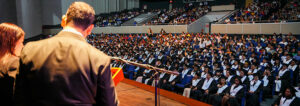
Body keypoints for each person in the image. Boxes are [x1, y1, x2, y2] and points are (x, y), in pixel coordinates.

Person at [15, 2, 118, 106]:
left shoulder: (29, 50)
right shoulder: (99, 59)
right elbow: (109, 104)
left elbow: (20, 98)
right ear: (90, 28)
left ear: (64, 20)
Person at [0, 23, 25, 106]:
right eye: (21, 42)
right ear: (12, 43)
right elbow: (18, 93)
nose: (22, 46)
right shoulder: (13, 62)